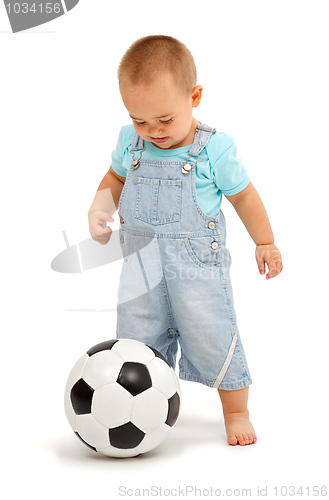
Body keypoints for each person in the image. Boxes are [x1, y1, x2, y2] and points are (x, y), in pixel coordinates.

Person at [88, 35, 283, 446]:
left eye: (163, 119)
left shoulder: (213, 149)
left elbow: (245, 196)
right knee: (136, 343)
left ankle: (236, 410)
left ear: (194, 97)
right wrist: (99, 208)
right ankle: (144, 409)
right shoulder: (131, 141)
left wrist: (264, 241)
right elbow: (115, 178)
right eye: (140, 120)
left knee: (215, 335)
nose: (152, 131)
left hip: (197, 274)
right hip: (140, 274)